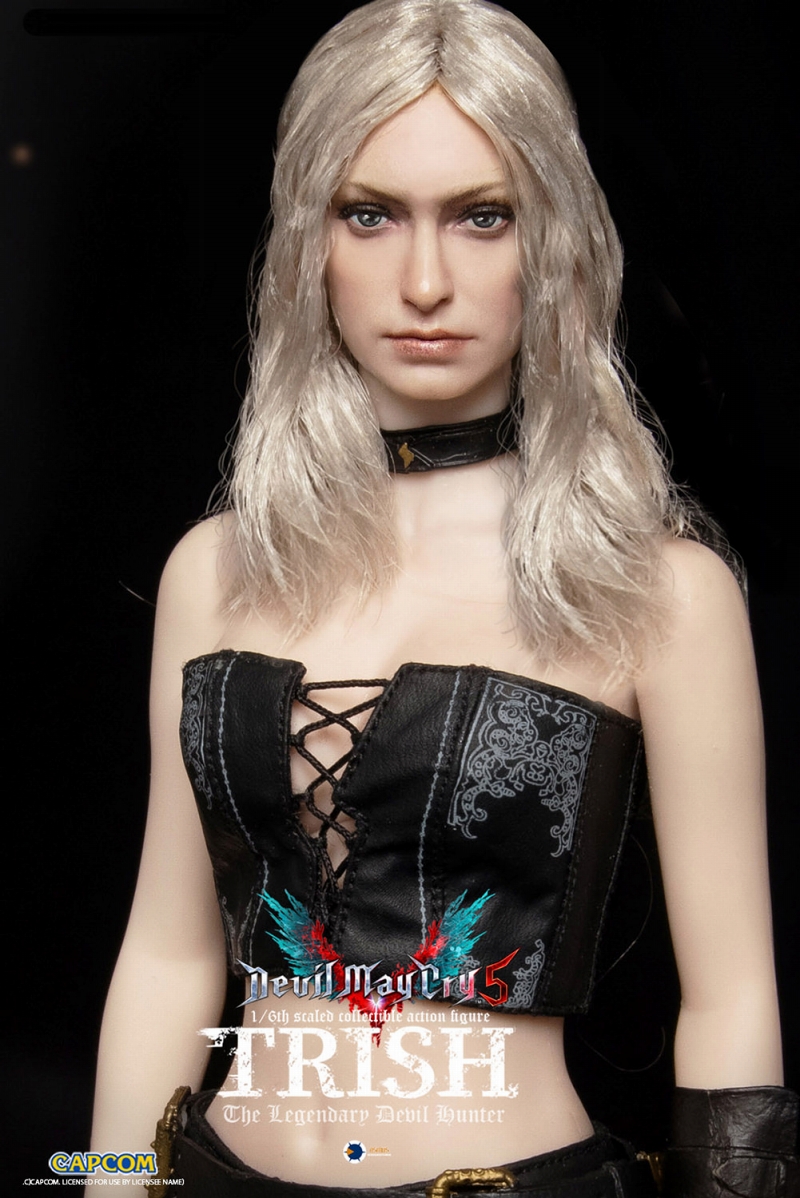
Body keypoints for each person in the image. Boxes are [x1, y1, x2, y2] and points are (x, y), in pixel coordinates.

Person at [89, 2, 798, 1195]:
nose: (424, 281)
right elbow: (166, 960)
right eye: (368, 214)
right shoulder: (215, 570)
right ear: (308, 240)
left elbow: (729, 1006)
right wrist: (106, 1183)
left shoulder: (656, 591)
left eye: (482, 216)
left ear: (551, 243)